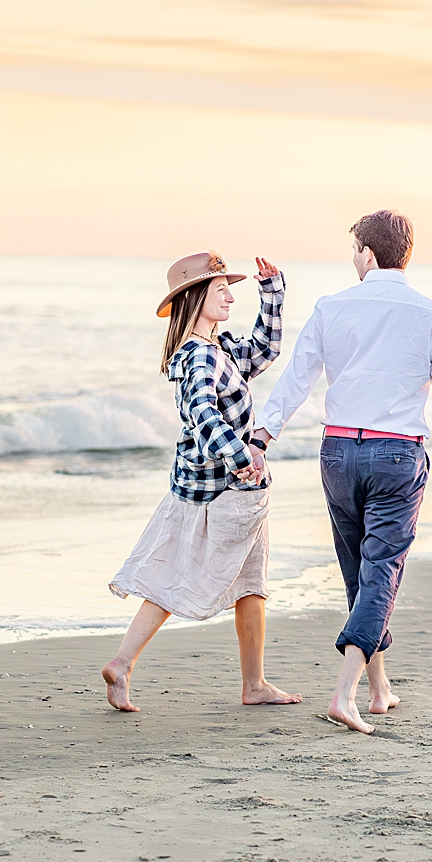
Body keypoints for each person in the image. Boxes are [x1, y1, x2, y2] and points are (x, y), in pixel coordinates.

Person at [255, 209, 432, 735]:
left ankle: (378, 689)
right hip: (397, 454)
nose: (353, 259)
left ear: (367, 254)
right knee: (381, 572)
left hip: (338, 453)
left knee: (361, 572)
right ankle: (346, 692)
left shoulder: (332, 307)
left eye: (354, 250)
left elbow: (296, 380)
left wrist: (263, 435)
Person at [103, 252, 301, 713]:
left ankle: (249, 682)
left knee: (246, 582)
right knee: (188, 578)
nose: (231, 295)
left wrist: (272, 294)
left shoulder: (221, 348)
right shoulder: (198, 358)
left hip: (220, 488)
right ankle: (128, 663)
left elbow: (265, 351)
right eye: (220, 290)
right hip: (227, 491)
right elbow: (202, 415)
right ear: (195, 299)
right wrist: (240, 458)